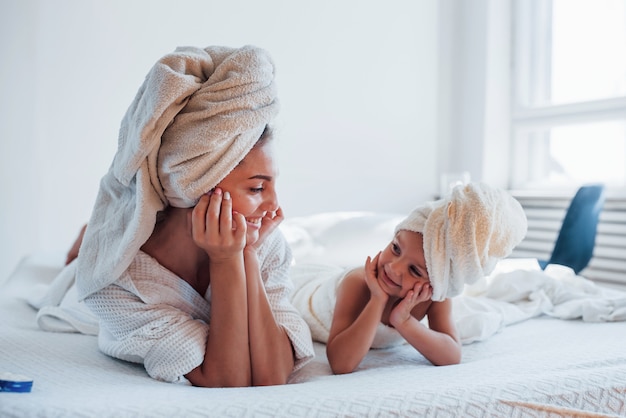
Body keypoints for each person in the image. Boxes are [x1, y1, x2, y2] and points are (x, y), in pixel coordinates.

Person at [60, 45, 314, 387]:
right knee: (67, 275)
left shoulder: (262, 241)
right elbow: (227, 380)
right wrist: (225, 262)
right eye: (256, 189)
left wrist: (247, 258)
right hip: (83, 289)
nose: (276, 209)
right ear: (198, 185)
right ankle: (86, 243)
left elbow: (273, 376)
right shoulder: (118, 283)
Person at [290, 182, 528, 374]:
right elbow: (341, 364)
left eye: (415, 270)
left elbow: (452, 355)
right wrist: (377, 301)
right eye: (395, 248)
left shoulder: (436, 298)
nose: (394, 268)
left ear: (436, 284)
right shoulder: (358, 283)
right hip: (305, 292)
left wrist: (404, 321)